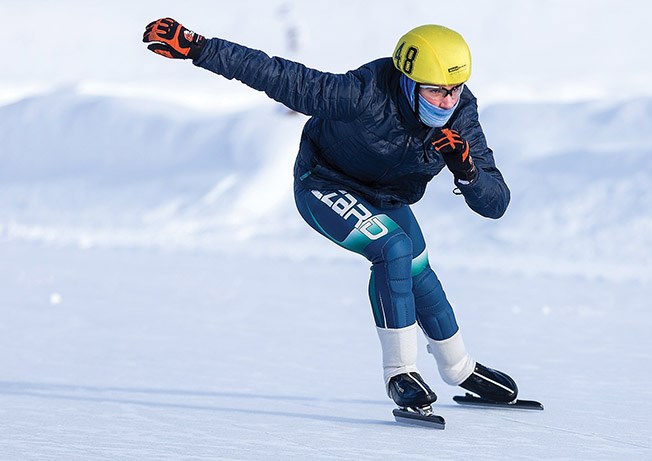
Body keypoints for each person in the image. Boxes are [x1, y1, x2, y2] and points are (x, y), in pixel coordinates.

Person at [143, 18, 519, 411]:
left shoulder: (461, 116)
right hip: (324, 183)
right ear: (408, 80)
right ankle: (400, 372)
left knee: (418, 269)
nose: (446, 102)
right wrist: (200, 48)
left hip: (386, 197)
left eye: (454, 90)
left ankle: (459, 368)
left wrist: (468, 171)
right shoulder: (363, 93)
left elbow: (496, 204)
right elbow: (282, 76)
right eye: (435, 91)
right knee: (393, 247)